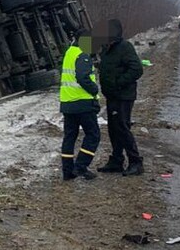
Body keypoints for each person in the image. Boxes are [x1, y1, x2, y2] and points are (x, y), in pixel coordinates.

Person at [97, 19, 144, 176]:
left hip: (123, 95)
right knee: (113, 128)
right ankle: (116, 160)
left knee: (122, 127)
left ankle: (136, 162)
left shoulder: (124, 47)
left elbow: (137, 69)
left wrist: (119, 82)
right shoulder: (106, 49)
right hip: (112, 95)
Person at [59, 29, 100, 181]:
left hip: (67, 103)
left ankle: (67, 171)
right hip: (82, 103)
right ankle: (81, 166)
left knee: (70, 137)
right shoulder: (82, 55)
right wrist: (94, 89)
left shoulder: (70, 52)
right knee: (93, 135)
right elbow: (83, 77)